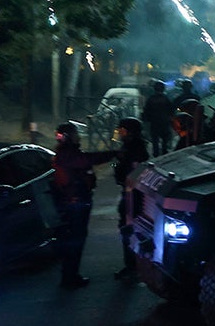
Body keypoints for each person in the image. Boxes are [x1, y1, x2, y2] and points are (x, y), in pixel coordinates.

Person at [50, 122, 118, 289]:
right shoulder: (68, 155)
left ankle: (70, 275)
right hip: (75, 201)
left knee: (73, 240)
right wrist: (114, 154)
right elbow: (89, 159)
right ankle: (70, 278)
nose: (77, 137)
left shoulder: (65, 153)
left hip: (74, 200)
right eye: (74, 135)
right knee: (75, 241)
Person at [113, 117, 149, 280]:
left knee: (129, 228)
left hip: (132, 194)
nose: (121, 134)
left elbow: (133, 172)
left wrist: (119, 168)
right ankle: (132, 265)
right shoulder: (129, 147)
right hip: (129, 192)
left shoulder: (136, 149)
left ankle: (134, 265)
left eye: (124, 131)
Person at [141, 80, 174, 157]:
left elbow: (146, 111)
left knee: (155, 140)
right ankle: (164, 152)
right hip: (164, 123)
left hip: (154, 123)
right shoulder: (166, 99)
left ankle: (156, 154)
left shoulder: (151, 99)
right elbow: (171, 111)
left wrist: (146, 121)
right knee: (164, 140)